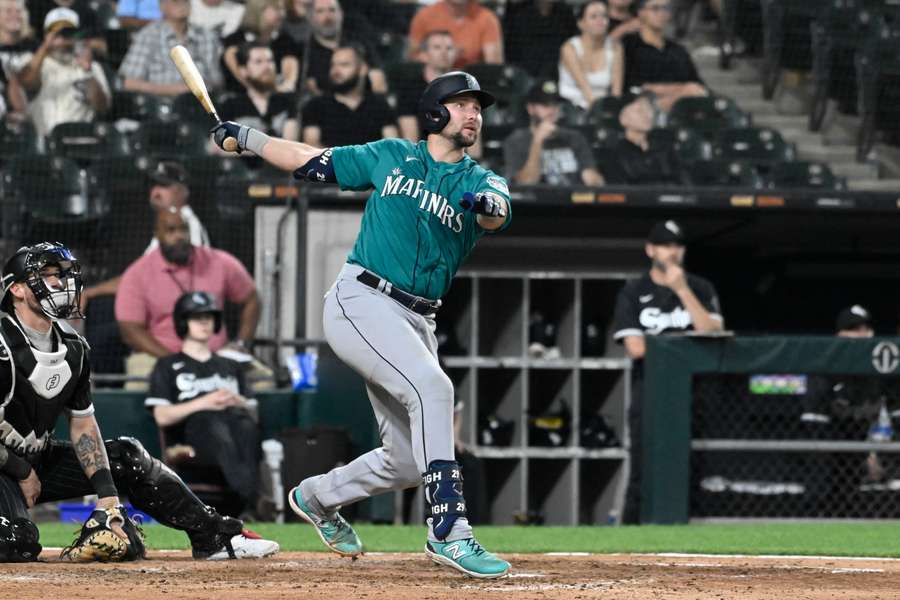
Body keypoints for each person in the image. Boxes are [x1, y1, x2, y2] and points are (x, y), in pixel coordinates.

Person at [210, 69, 512, 578]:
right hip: (361, 299)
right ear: (436, 111)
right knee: (435, 390)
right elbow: (310, 160)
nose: (473, 115)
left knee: (408, 462)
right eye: (463, 105)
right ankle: (450, 531)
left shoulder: (479, 179)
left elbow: (498, 211)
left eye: (477, 108)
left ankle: (317, 496)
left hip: (417, 320)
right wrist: (247, 139)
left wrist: (488, 206)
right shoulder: (391, 155)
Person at [0, 242, 278, 562]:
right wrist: (21, 470)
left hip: (36, 458)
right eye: (48, 275)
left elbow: (83, 423)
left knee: (128, 455)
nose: (61, 283)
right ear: (18, 289)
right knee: (15, 542)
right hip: (7, 464)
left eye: (62, 275)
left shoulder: (74, 348)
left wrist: (107, 497)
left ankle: (215, 536)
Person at [611, 220, 723, 523]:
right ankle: (633, 532)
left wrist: (682, 289)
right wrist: (686, 345)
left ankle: (692, 533)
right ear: (650, 250)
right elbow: (635, 347)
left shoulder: (700, 288)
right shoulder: (634, 291)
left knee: (694, 464)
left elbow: (713, 332)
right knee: (643, 464)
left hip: (694, 392)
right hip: (651, 391)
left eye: (676, 245)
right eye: (664, 245)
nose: (671, 252)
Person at [147, 291, 263, 518]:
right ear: (183, 322)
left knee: (246, 424)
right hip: (191, 436)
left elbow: (254, 411)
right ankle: (249, 499)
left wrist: (236, 400)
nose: (204, 322)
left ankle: (244, 498)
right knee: (210, 419)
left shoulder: (230, 365)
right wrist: (205, 402)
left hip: (235, 429)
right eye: (196, 317)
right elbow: (161, 416)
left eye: (209, 317)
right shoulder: (167, 365)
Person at [115, 207, 260, 383]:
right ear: (157, 235)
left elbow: (252, 298)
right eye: (171, 230)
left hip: (217, 354)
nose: (179, 236)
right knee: (138, 387)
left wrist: (241, 344)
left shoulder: (219, 262)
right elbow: (130, 330)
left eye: (184, 229)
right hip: (159, 355)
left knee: (264, 382)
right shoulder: (137, 273)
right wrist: (176, 360)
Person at [80, 160, 211, 315]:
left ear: (182, 192)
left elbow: (141, 280)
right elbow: (139, 276)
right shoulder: (173, 223)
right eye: (153, 185)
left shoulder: (186, 227)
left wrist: (91, 292)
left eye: (164, 186)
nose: (155, 191)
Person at [21, 7, 110, 139]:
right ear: (46, 35)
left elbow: (102, 107)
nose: (62, 38)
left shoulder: (92, 67)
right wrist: (46, 47)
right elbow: (27, 83)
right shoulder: (33, 62)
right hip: (42, 143)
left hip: (80, 143)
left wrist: (88, 72)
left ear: (77, 35)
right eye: (55, 32)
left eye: (67, 32)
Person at [504, 80, 603, 186]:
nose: (552, 110)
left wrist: (592, 177)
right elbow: (526, 183)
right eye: (545, 105)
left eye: (555, 105)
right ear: (530, 108)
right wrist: (537, 141)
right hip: (538, 201)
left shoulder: (574, 137)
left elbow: (596, 182)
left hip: (574, 200)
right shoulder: (516, 141)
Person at [119, 0, 223, 97]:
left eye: (185, 0)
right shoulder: (148, 36)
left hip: (202, 104)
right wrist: (170, 90)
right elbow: (128, 82)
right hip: (160, 104)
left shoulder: (206, 37)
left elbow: (218, 81)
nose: (181, 4)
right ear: (162, 7)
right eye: (175, 1)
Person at [300, 44, 397, 147]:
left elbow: (393, 147)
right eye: (333, 65)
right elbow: (312, 147)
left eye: (344, 65)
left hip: (372, 162)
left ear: (363, 69)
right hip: (331, 162)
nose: (336, 71)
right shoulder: (316, 106)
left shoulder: (380, 105)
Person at [621, 0, 705, 108]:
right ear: (641, 13)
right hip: (641, 108)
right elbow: (633, 87)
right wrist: (682, 90)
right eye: (655, 8)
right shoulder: (629, 46)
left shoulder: (678, 50)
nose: (661, 13)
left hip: (684, 112)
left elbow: (698, 85)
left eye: (666, 8)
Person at [220, 42, 300, 140]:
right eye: (258, 62)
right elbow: (217, 146)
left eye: (270, 61)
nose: (267, 67)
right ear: (244, 70)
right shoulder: (230, 105)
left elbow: (290, 144)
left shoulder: (288, 101)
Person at [304, 0, 386, 94]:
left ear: (341, 14)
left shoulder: (360, 41)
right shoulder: (306, 51)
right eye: (320, 11)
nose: (327, 17)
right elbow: (312, 88)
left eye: (332, 10)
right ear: (311, 18)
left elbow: (378, 79)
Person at [221, 0, 300, 93]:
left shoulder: (285, 40)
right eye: (277, 9)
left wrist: (281, 90)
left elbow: (289, 78)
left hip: (277, 98)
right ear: (259, 10)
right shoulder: (234, 41)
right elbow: (238, 75)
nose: (282, 14)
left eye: (282, 9)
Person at [558, 0, 623, 110]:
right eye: (593, 17)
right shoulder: (569, 48)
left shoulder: (615, 47)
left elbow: (616, 92)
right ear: (581, 23)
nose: (600, 21)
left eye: (604, 16)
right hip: (571, 108)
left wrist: (614, 111)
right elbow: (585, 89)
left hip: (603, 108)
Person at [395, 30, 457, 142]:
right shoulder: (409, 90)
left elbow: (472, 134)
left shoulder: (464, 88)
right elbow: (410, 138)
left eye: (449, 48)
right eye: (437, 47)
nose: (444, 52)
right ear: (424, 55)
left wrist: (475, 159)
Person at [408, 0, 503, 69]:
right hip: (430, 82)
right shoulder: (425, 16)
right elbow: (412, 57)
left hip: (470, 85)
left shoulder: (487, 19)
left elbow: (494, 68)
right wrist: (437, 57)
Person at [503, 0, 577, 80]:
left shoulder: (565, 12)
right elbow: (510, 48)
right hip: (524, 74)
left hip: (558, 74)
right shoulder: (518, 11)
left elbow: (574, 44)